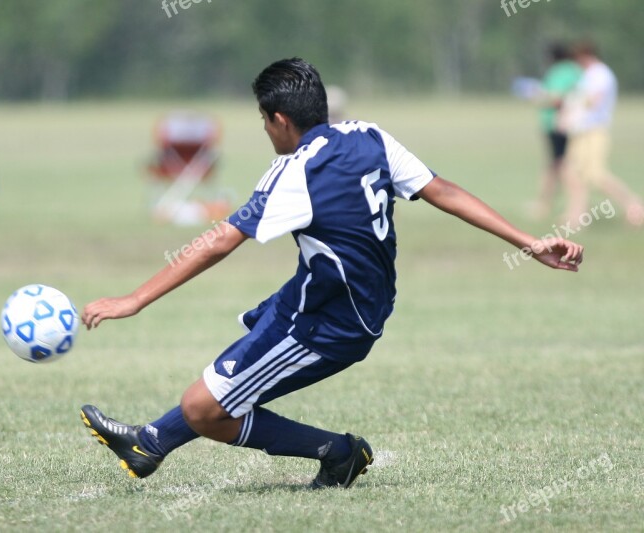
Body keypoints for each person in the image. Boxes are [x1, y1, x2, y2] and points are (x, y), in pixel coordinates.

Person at [79, 58, 584, 489]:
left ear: (280, 119)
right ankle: (149, 445)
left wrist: (133, 300)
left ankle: (338, 453)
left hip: (331, 324)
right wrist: (528, 241)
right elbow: (442, 190)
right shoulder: (369, 136)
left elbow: (219, 241)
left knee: (204, 410)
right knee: (233, 373)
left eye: (262, 119)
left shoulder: (296, 171)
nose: (264, 129)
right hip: (322, 297)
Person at [560, 41, 644, 227]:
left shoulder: (601, 74)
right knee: (571, 172)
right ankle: (575, 216)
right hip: (580, 132)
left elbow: (593, 100)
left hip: (594, 131)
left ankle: (634, 204)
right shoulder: (587, 75)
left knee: (596, 175)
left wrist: (572, 109)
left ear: (586, 56)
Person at [529, 43, 582, 220]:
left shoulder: (559, 71)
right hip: (568, 125)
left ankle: (575, 210)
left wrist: (537, 96)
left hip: (557, 124)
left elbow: (557, 99)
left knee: (563, 166)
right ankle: (544, 205)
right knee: (553, 166)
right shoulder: (575, 70)